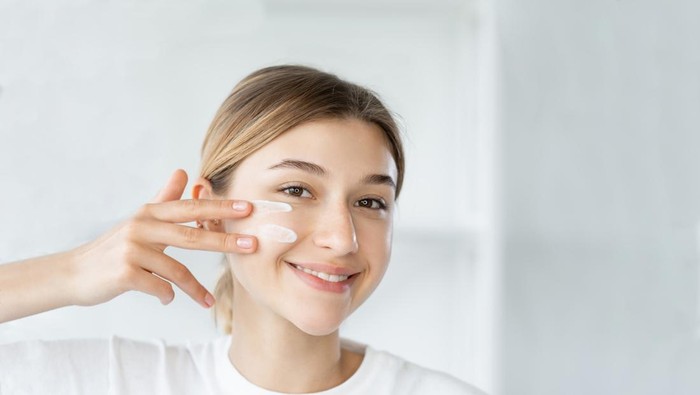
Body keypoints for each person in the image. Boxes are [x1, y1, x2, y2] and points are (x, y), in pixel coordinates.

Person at [0, 65, 486, 394]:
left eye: (369, 201)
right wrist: (69, 273)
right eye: (296, 190)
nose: (343, 238)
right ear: (212, 213)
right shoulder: (114, 380)